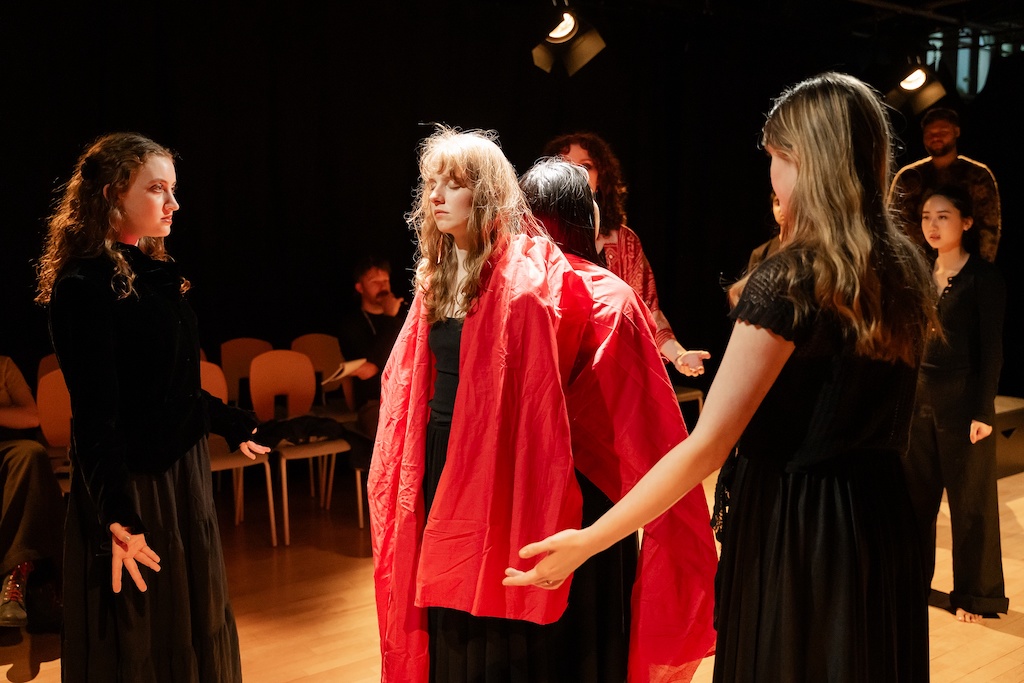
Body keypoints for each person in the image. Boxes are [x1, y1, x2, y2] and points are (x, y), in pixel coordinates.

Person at [506, 72, 937, 682]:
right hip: (880, 519)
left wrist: (589, 539)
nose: (773, 176)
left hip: (798, 526)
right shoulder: (903, 269)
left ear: (810, 161)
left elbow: (707, 445)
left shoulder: (792, 278)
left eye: (778, 158)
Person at [368, 127, 713, 683]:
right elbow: (413, 386)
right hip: (461, 461)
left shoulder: (551, 288)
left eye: (453, 184)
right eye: (431, 183)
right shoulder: (445, 281)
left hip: (554, 476)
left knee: (534, 625)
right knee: (475, 610)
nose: (435, 196)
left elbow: (598, 397)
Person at [35, 132, 270, 682]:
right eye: (157, 189)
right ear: (114, 195)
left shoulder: (151, 271)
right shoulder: (84, 286)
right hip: (136, 484)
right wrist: (118, 515)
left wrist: (229, 422)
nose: (173, 203)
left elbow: (168, 388)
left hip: (183, 474)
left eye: (174, 189)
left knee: (194, 620)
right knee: (144, 632)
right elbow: (97, 414)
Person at [519, 157, 717, 681]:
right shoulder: (513, 290)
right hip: (576, 474)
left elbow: (647, 312)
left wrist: (673, 352)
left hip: (554, 473)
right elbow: (643, 410)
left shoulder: (618, 251)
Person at [903, 184, 1008, 624]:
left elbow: (992, 350)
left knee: (970, 502)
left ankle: (975, 595)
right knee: (913, 500)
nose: (932, 225)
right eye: (927, 216)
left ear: (966, 222)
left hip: (963, 402)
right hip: (917, 400)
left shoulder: (983, 278)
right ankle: (910, 584)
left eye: (943, 216)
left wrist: (984, 412)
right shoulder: (916, 272)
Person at [543, 131, 711, 377]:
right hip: (557, 376)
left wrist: (679, 355)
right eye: (566, 167)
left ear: (601, 178)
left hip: (614, 376)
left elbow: (647, 313)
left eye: (586, 167)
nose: (576, 175)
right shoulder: (538, 241)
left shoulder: (624, 242)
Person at [0, 355, 65, 629]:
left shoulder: (4, 365)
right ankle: (22, 581)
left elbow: (31, 415)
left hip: (5, 447)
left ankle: (18, 579)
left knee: (31, 455)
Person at [888, 107, 1002, 262]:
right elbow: (893, 224)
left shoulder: (977, 175)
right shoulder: (909, 176)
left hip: (964, 264)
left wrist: (982, 268)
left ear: (956, 132)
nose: (936, 137)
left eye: (943, 132)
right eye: (930, 133)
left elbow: (989, 226)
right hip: (916, 267)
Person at [337, 255, 406, 437]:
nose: (382, 286)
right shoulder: (352, 324)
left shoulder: (400, 319)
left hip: (404, 397)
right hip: (372, 402)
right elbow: (370, 362)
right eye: (374, 281)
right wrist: (389, 318)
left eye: (385, 281)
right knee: (389, 432)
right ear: (360, 287)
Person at [746, 191, 784, 272]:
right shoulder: (760, 254)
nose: (782, 209)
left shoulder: (811, 247)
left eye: (786, 202)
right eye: (778, 203)